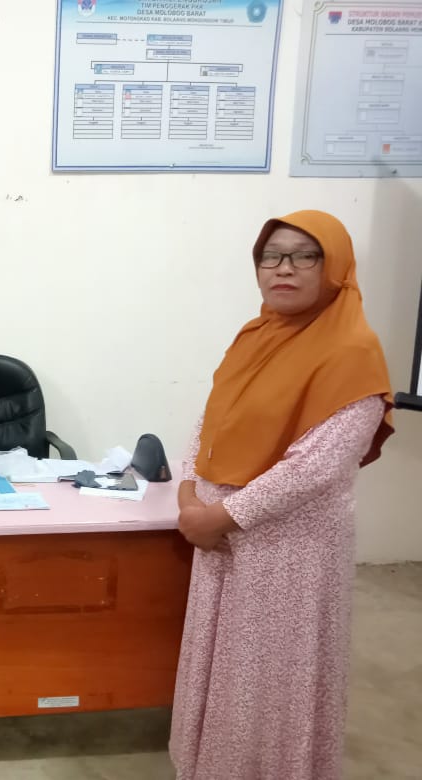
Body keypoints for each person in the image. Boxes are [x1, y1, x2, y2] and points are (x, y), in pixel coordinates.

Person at [169, 210, 395, 780]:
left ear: (335, 267)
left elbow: (316, 467)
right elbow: (214, 419)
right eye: (270, 256)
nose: (283, 269)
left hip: (287, 550)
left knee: (268, 678)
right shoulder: (254, 336)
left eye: (303, 255)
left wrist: (225, 514)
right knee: (219, 667)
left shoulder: (353, 353)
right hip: (217, 532)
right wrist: (189, 489)